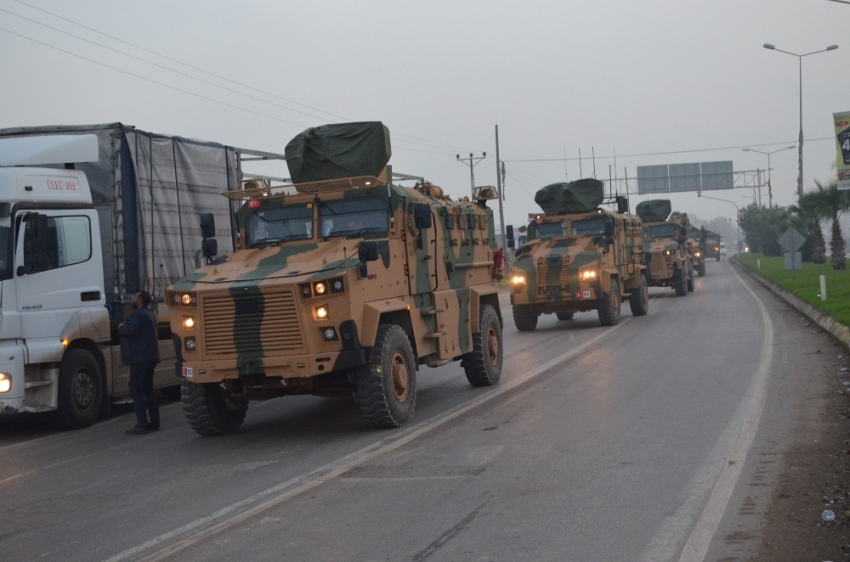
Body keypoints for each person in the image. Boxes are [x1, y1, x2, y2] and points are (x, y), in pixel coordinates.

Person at [119, 291, 160, 435]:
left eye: (135, 297)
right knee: (148, 389)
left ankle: (142, 423)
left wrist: (121, 327)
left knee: (136, 390)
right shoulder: (149, 313)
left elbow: (131, 330)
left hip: (140, 358)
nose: (133, 298)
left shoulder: (139, 315)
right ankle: (155, 421)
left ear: (140, 301)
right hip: (150, 357)